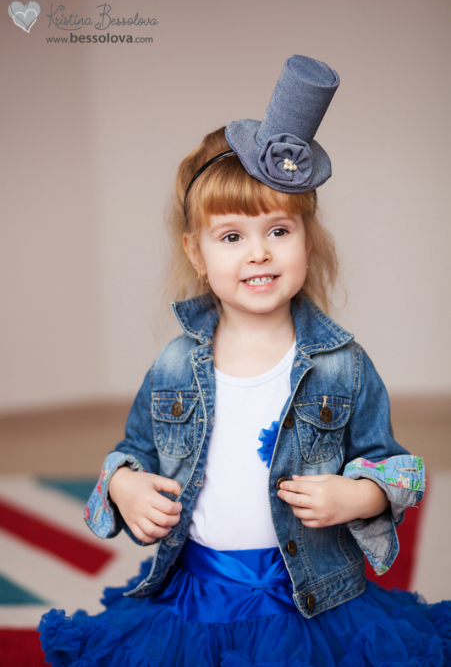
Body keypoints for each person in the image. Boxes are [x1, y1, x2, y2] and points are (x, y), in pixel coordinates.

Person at [38, 55, 450, 667]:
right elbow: (133, 452)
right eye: (232, 236)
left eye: (278, 231)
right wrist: (123, 485)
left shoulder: (342, 364)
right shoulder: (175, 365)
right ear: (197, 254)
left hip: (316, 601)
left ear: (307, 239)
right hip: (198, 603)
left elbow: (397, 469)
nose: (258, 253)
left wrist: (358, 496)